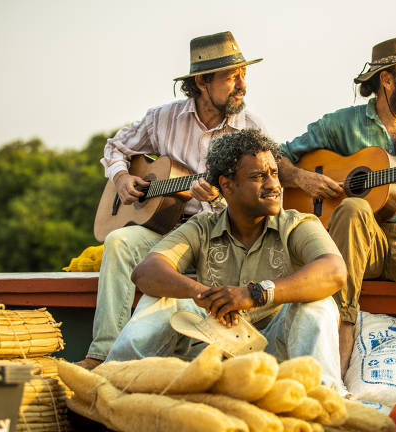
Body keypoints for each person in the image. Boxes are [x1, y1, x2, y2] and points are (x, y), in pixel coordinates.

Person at [278, 35, 396, 376]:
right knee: (352, 208)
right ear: (387, 79)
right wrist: (300, 178)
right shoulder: (343, 124)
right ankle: (341, 328)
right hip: (361, 240)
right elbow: (275, 158)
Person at [78, 32, 267, 369]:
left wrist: (220, 200)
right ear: (201, 81)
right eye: (231, 77)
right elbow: (115, 147)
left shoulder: (250, 129)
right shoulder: (162, 117)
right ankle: (102, 354)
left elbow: (260, 195)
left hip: (216, 233)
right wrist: (122, 178)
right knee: (119, 241)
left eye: (243, 75)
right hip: (162, 228)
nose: (242, 85)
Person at [105, 129, 348, 391]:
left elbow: (334, 271)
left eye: (274, 173)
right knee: (161, 300)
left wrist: (254, 294)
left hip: (279, 355)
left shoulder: (297, 224)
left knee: (318, 304)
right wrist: (205, 296)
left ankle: (324, 396)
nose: (273, 185)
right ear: (228, 185)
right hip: (214, 350)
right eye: (258, 176)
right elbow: (146, 272)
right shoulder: (202, 227)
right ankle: (113, 384)